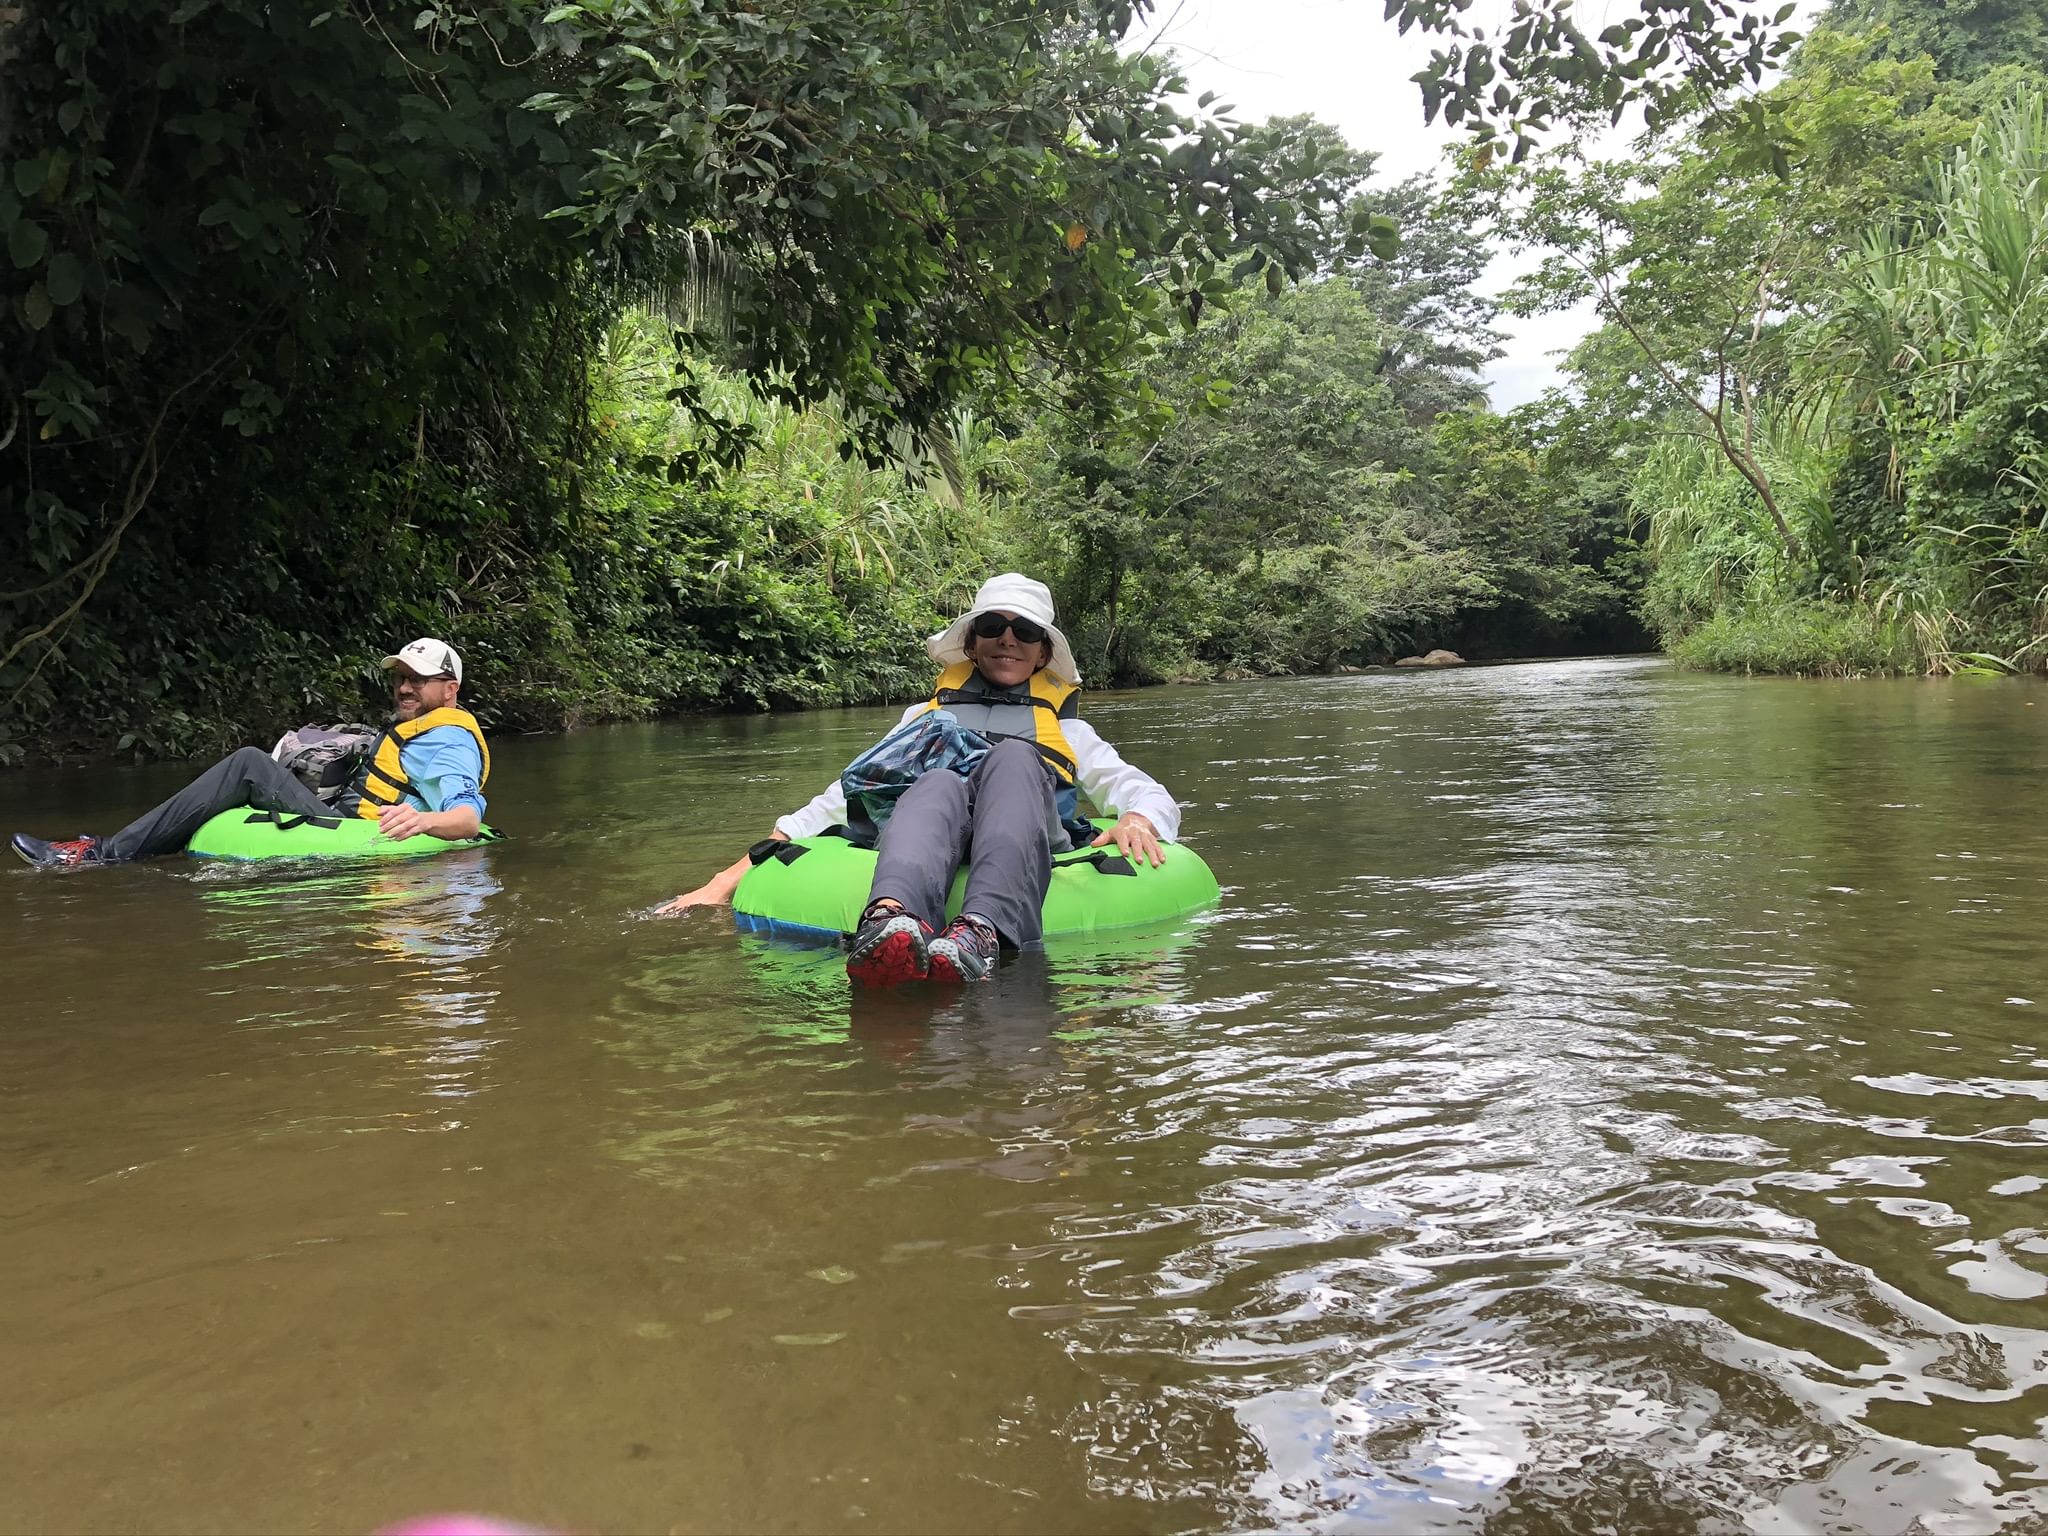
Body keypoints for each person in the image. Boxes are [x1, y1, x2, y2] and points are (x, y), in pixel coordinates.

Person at [660, 574, 1180, 986]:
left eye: (1025, 632)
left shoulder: (1068, 729)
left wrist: (1138, 817)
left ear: (1043, 653)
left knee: (1016, 758)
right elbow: (840, 800)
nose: (1007, 640)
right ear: (971, 644)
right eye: (992, 627)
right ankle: (890, 922)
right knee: (935, 781)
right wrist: (724, 880)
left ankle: (980, 932)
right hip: (936, 827)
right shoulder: (922, 717)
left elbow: (1146, 792)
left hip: (1027, 830)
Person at [10, 638, 490, 867]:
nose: (405, 688)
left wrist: (424, 821)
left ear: (451, 688)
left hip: (361, 833)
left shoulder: (447, 739)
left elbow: (466, 819)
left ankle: (98, 854)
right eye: (400, 678)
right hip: (344, 816)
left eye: (418, 680)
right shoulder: (420, 725)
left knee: (249, 763)